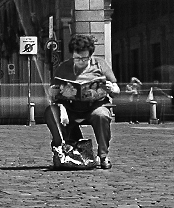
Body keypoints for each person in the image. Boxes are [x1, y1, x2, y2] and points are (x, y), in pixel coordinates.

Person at [46, 33, 119, 170]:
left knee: (102, 115)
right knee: (51, 111)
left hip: (95, 106)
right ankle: (60, 147)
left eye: (84, 58)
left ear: (90, 55)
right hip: (70, 108)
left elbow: (116, 89)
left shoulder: (100, 65)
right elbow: (52, 91)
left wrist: (111, 88)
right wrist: (54, 91)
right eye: (77, 58)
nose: (81, 61)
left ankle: (103, 156)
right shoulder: (63, 67)